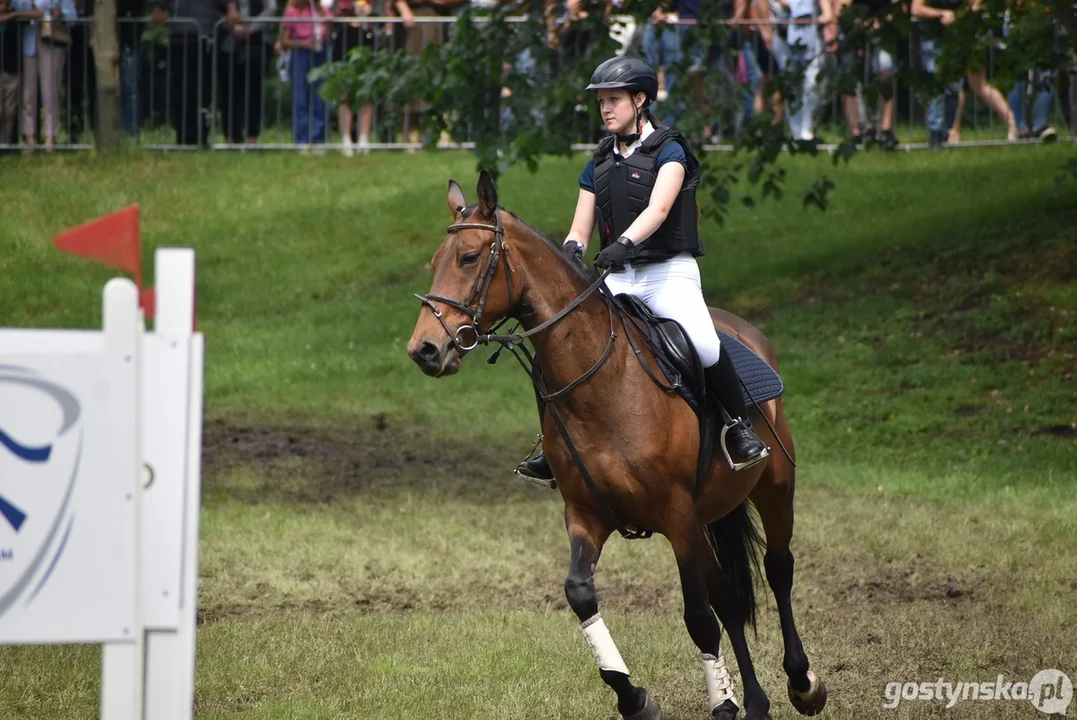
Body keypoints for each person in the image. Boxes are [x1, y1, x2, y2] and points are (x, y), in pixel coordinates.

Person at [515, 55, 770, 485]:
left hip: (668, 273)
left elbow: (661, 207)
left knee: (705, 345)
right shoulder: (597, 161)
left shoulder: (670, 150)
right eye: (601, 102)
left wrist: (624, 244)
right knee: (559, 351)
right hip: (618, 277)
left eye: (614, 100)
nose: (606, 109)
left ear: (640, 99)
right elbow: (582, 223)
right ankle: (553, 440)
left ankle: (738, 428)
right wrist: (573, 249)